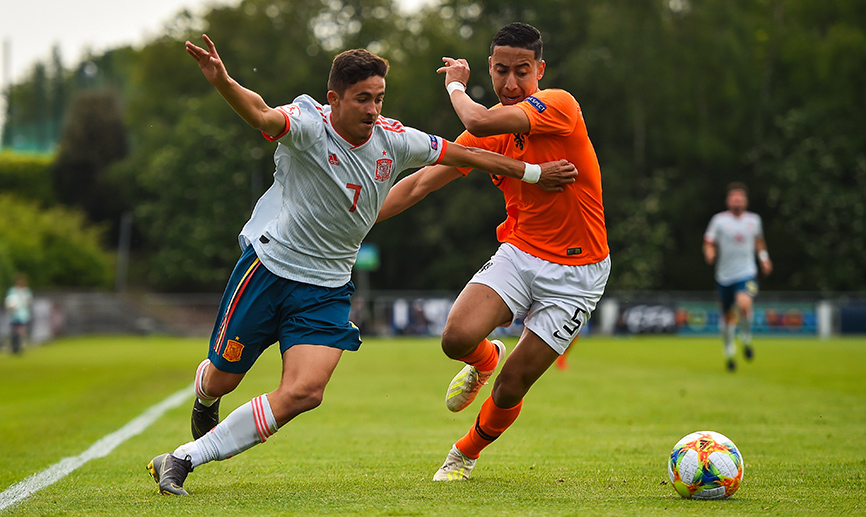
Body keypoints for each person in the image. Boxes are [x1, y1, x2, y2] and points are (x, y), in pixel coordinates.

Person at [145, 34, 577, 496]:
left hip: (326, 289)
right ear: (334, 99)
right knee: (222, 377)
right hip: (269, 269)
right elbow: (260, 112)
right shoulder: (308, 126)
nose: (373, 110)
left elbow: (464, 153)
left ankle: (181, 459)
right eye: (362, 99)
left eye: (379, 98)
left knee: (306, 392)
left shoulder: (394, 138)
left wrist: (533, 173)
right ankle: (205, 394)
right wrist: (223, 80)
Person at [377, 22, 610, 481]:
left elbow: (476, 119)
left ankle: (464, 454)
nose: (511, 83)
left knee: (511, 387)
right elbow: (420, 183)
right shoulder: (487, 136)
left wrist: (456, 86)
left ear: (540, 70)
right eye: (501, 71)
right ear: (491, 67)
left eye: (522, 71)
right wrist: (354, 219)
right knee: (455, 339)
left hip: (579, 272)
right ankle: (485, 357)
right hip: (520, 254)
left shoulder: (559, 105)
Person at [703, 182, 772, 371]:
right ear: (728, 200)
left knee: (744, 304)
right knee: (727, 317)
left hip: (747, 273)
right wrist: (709, 252)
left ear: (746, 201)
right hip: (724, 276)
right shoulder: (719, 221)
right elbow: (708, 242)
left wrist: (764, 258)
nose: (737, 200)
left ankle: (746, 337)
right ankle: (729, 350)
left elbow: (759, 242)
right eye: (734, 197)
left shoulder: (754, 220)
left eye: (740, 197)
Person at [4, 273, 33, 354]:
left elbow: (29, 302)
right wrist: (11, 307)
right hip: (13, 314)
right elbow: (8, 301)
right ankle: (15, 346)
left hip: (23, 314)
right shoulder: (12, 290)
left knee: (20, 330)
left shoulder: (26, 291)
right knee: (14, 331)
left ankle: (19, 345)